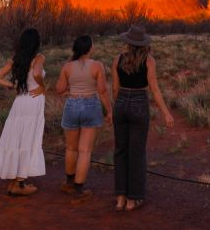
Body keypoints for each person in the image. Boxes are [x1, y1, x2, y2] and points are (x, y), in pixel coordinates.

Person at [111, 24, 173, 212]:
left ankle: (120, 198)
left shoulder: (117, 59)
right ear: (143, 43)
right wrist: (166, 113)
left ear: (128, 42)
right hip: (139, 103)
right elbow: (154, 89)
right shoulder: (149, 61)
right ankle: (133, 199)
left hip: (121, 103)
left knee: (120, 151)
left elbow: (114, 88)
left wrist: (116, 108)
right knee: (136, 153)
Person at [0, 28, 47, 196]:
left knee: (17, 137)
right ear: (36, 43)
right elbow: (37, 73)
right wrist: (42, 86)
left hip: (20, 102)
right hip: (34, 101)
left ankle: (15, 182)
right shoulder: (39, 58)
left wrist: (13, 85)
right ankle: (19, 184)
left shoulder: (16, 59)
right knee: (28, 138)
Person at [55, 34, 111, 203]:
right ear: (89, 48)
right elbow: (102, 91)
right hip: (90, 105)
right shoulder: (97, 66)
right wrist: (110, 111)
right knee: (84, 150)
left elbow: (59, 89)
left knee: (71, 149)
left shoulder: (67, 66)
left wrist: (71, 86)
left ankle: (68, 183)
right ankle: (79, 189)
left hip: (72, 105)